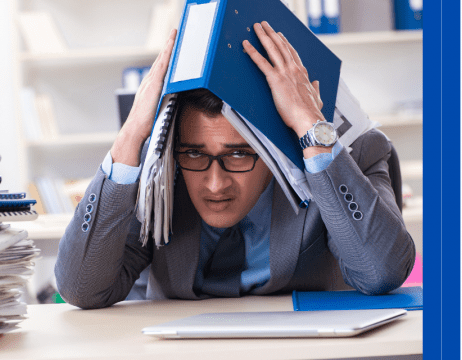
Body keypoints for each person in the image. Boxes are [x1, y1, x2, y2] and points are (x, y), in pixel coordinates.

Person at [54, 21, 416, 309]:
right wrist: (130, 135)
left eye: (238, 155)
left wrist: (310, 129)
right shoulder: (160, 170)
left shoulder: (352, 153)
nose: (214, 184)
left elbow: (380, 272)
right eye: (196, 153)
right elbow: (81, 289)